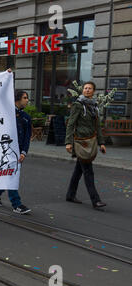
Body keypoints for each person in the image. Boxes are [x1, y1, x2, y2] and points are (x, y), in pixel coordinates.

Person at [0, 88, 32, 214]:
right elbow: (0, 98)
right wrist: (5, 78)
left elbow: (27, 137)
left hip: (18, 152)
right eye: (25, 97)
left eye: (27, 97)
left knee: (9, 175)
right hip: (7, 152)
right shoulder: (6, 113)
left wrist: (24, 152)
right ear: (17, 99)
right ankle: (16, 204)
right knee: (12, 176)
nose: (27, 100)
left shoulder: (26, 117)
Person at [65, 81, 106, 209]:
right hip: (80, 142)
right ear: (82, 90)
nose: (87, 90)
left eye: (90, 88)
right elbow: (71, 123)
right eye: (85, 88)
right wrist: (68, 142)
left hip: (90, 141)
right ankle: (96, 200)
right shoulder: (78, 105)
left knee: (78, 170)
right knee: (88, 171)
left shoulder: (94, 106)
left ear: (93, 91)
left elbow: (97, 126)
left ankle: (70, 195)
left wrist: (101, 143)